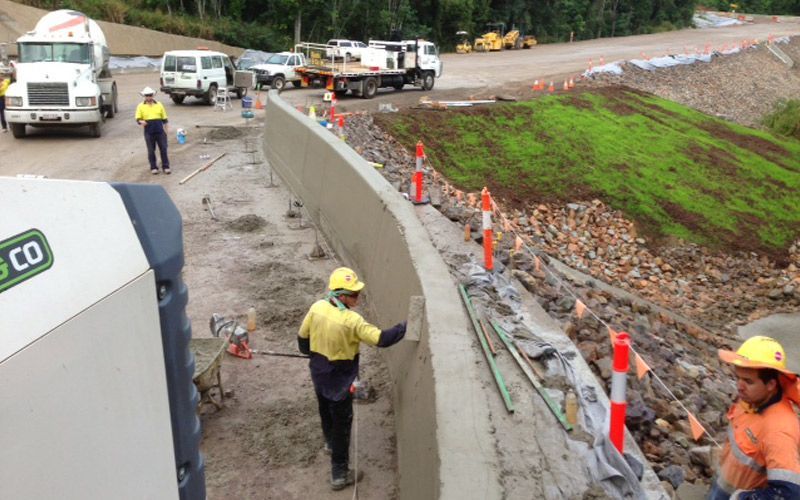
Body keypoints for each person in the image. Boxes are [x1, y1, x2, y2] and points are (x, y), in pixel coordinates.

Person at [298, 267, 406, 491]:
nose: (358, 297)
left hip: (318, 371)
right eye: (354, 294)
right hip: (340, 378)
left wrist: (316, 353)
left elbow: (302, 341)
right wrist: (404, 327)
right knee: (342, 424)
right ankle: (339, 473)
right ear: (340, 295)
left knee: (324, 408)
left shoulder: (317, 308)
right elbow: (382, 339)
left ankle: (328, 442)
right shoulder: (352, 320)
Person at [709, 335, 800, 499]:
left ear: (771, 385)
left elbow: (789, 493)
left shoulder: (779, 431)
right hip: (720, 488)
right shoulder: (750, 400)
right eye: (738, 378)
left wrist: (746, 498)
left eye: (748, 381)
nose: (739, 387)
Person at [134, 86, 170, 174]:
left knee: (163, 149)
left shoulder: (159, 104)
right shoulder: (140, 106)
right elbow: (138, 118)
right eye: (147, 95)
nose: (149, 97)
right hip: (149, 131)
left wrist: (166, 131)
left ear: (153, 95)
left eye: (150, 95)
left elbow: (164, 119)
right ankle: (153, 167)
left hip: (160, 131)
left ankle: (166, 166)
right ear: (144, 96)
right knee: (151, 150)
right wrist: (141, 121)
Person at [0, 68, 10, 133]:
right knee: (2, 113)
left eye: (1, 75)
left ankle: (11, 126)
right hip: (1, 98)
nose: (1, 76)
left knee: (9, 111)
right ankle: (4, 127)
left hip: (7, 98)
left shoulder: (6, 81)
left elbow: (12, 79)